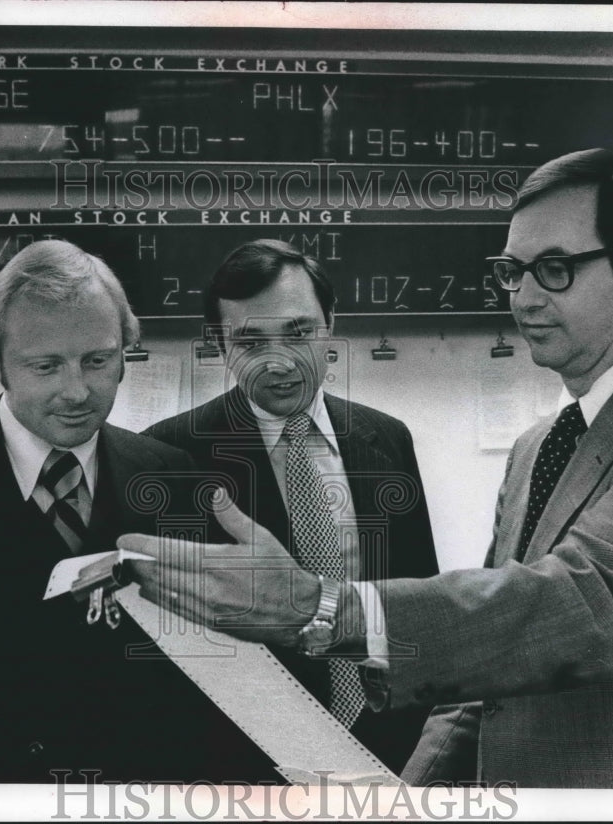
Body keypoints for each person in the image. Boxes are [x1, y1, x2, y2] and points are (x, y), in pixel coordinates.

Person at [122, 150, 613, 789]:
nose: (523, 297)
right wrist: (405, 799)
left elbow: (592, 604)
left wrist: (318, 605)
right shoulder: (538, 446)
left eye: (554, 269)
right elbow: (480, 678)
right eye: (512, 271)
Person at [0, 239, 277, 782]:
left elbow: (206, 695)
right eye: (46, 366)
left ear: (125, 352)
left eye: (98, 360)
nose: (78, 391)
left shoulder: (173, 475)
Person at [143, 239, 440, 773]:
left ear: (331, 325)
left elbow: (418, 602)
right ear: (219, 344)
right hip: (241, 764)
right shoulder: (170, 456)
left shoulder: (388, 438)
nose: (279, 362)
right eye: (251, 342)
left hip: (388, 751)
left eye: (299, 332)